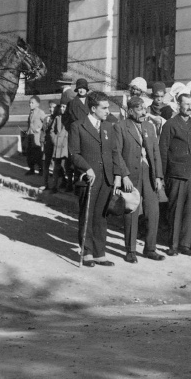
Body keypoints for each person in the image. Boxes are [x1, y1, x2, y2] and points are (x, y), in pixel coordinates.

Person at [68, 91, 128, 267]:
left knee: (101, 216)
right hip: (89, 179)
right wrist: (86, 168)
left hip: (106, 179)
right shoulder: (78, 126)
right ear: (93, 108)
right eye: (104, 108)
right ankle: (87, 252)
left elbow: (115, 152)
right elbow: (74, 153)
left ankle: (99, 252)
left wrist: (118, 175)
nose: (108, 111)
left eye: (108, 107)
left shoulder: (108, 126)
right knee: (87, 214)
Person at [114, 96, 165, 262]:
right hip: (131, 175)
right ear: (130, 111)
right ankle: (130, 251)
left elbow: (156, 152)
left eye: (145, 109)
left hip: (149, 174)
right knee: (131, 211)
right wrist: (124, 175)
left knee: (153, 211)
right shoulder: (121, 126)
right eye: (140, 109)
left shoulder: (149, 126)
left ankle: (150, 248)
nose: (144, 112)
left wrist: (158, 176)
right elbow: (117, 153)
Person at [159, 93, 191, 256]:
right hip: (176, 173)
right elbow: (163, 150)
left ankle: (185, 244)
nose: (190, 107)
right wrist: (162, 175)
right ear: (179, 105)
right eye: (187, 104)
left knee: (190, 211)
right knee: (175, 211)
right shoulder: (170, 124)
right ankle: (173, 245)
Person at [46, 97, 70, 192]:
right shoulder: (58, 118)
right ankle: (54, 186)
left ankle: (68, 184)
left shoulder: (70, 118)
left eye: (64, 107)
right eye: (61, 107)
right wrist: (54, 139)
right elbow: (52, 130)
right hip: (58, 145)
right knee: (56, 167)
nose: (62, 109)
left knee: (66, 166)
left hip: (66, 145)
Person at [25, 96, 45, 175]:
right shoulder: (31, 113)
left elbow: (46, 123)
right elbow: (29, 124)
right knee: (29, 154)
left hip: (37, 137)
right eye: (29, 103)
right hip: (30, 136)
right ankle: (31, 169)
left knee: (38, 154)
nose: (30, 104)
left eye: (32, 103)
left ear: (37, 104)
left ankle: (41, 170)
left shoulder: (40, 112)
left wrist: (40, 129)